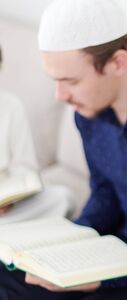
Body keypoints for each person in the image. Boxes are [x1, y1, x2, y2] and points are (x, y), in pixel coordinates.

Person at [0, 0, 127, 299]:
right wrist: (65, 245)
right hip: (110, 250)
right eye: (55, 81)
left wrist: (104, 281)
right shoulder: (88, 112)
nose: (60, 96)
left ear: (118, 63)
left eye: (71, 81)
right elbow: (105, 196)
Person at [0, 46, 74, 224]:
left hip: (5, 202)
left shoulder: (12, 106)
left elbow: (25, 167)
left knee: (63, 198)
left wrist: (11, 197)